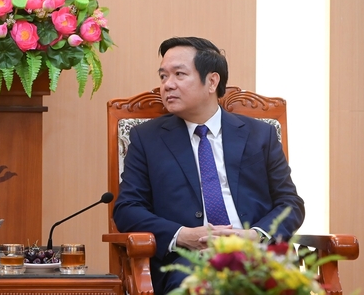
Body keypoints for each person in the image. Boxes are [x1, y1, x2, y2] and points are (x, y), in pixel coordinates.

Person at [113, 36, 305, 295]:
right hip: (186, 262)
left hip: (256, 255)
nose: (167, 85)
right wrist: (182, 235)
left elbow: (290, 203)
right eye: (163, 76)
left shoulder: (259, 135)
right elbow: (126, 209)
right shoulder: (147, 138)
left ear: (212, 81)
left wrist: (256, 235)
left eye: (179, 74)